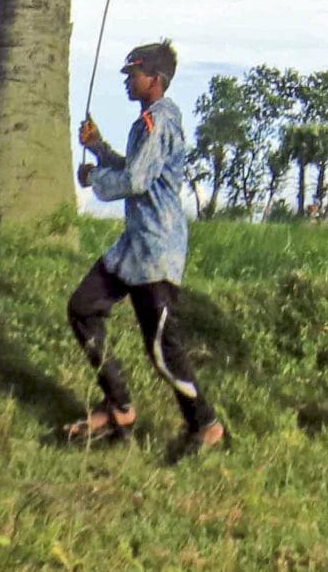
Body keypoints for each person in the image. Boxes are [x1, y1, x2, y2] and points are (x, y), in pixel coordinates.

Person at [70, 40, 225, 458]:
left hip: (156, 250)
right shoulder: (145, 123)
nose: (127, 81)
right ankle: (119, 407)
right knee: (83, 308)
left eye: (133, 74)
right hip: (133, 247)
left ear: (154, 80)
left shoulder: (160, 122)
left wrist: (95, 179)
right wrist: (100, 150)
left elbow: (136, 181)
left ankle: (206, 425)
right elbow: (137, 168)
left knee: (161, 351)